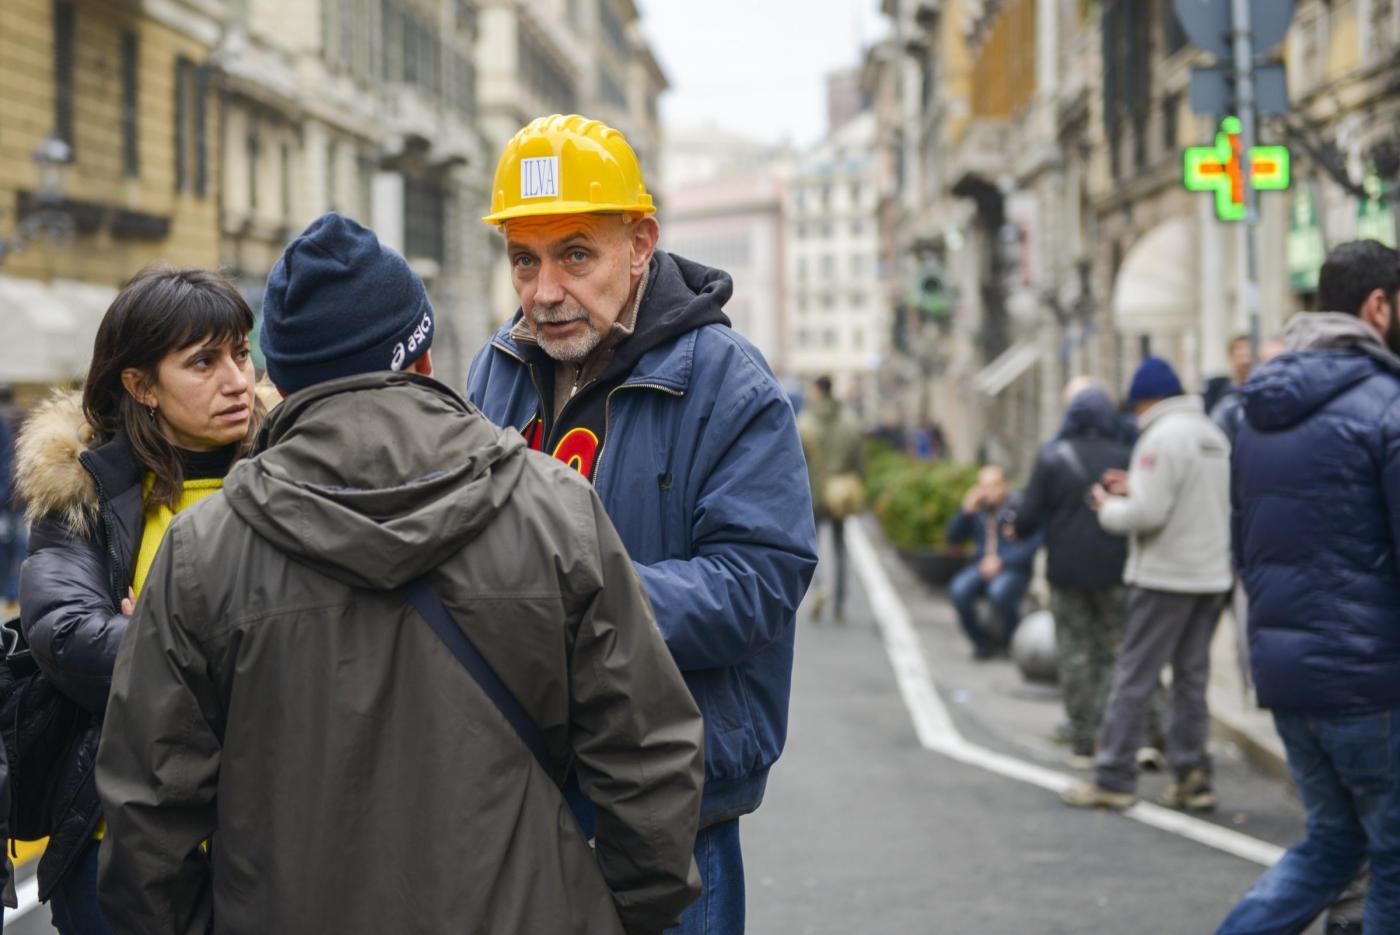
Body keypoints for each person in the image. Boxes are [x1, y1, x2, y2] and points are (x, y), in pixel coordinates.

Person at [95, 213, 706, 935]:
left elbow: (147, 819)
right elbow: (648, 755)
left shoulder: (202, 551)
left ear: (279, 379)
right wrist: (612, 912)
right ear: (422, 355)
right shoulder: (553, 508)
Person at [467, 115, 817, 935]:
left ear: (640, 242)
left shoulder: (729, 383)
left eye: (575, 254)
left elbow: (759, 580)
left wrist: (573, 605)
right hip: (520, 788)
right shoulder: (497, 366)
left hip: (670, 803)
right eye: (525, 258)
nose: (545, 289)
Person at [15, 266, 267, 934]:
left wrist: (155, 630)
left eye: (241, 352)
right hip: (119, 854)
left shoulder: (291, 475)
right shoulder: (84, 494)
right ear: (140, 385)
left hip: (271, 841)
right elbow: (67, 636)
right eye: (204, 361)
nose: (237, 380)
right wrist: (250, 646)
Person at [1214, 240, 1400, 935]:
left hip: (1288, 672)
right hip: (1373, 679)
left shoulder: (1256, 410)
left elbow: (1244, 545)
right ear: (1378, 306)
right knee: (1392, 858)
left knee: (1330, 844)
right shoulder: (1387, 406)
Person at [1061, 356, 1231, 812]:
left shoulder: (1159, 437)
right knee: (1192, 679)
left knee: (1135, 675)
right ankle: (1193, 777)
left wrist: (1106, 508)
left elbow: (1146, 515)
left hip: (1166, 576)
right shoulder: (1211, 434)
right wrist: (1137, 484)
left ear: (1146, 400)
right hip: (1211, 576)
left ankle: (1114, 775)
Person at [1012, 381, 1130, 767]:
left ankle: (1083, 738)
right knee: (1115, 652)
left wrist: (1017, 527)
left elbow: (1028, 518)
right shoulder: (1123, 456)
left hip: (1066, 571)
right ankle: (1118, 737)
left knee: (1075, 652)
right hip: (1115, 568)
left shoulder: (1053, 457)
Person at [946, 465, 1041, 659]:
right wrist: (965, 510)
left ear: (1005, 486)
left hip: (1012, 567)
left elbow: (1034, 542)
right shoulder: (979, 509)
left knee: (999, 592)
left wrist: (1002, 561)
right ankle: (982, 642)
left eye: (992, 486)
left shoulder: (1019, 507)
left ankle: (1012, 640)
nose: (987, 492)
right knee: (959, 590)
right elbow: (953, 537)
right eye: (983, 486)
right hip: (982, 565)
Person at [798, 374, 865, 622]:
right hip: (841, 495)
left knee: (810, 548)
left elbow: (795, 464)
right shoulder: (850, 421)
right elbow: (860, 461)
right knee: (840, 549)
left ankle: (819, 588)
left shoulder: (804, 423)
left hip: (813, 495)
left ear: (817, 391)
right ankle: (839, 604)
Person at [1210, 335, 1288, 445]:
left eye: (1249, 355)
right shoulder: (1221, 398)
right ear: (1230, 356)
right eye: (1240, 355)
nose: (1245, 361)